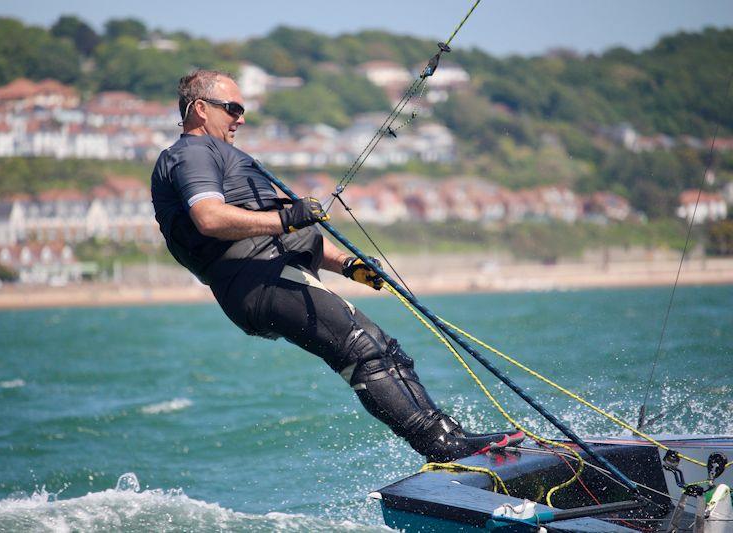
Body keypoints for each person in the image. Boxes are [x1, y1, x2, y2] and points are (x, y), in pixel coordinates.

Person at [150, 69, 522, 462]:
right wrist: (285, 218)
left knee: (385, 350)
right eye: (233, 109)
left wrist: (348, 265)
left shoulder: (223, 155)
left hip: (272, 271)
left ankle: (448, 437)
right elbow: (210, 218)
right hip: (255, 278)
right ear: (201, 109)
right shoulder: (190, 153)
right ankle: (442, 448)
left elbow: (287, 235)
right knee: (363, 349)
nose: (241, 118)